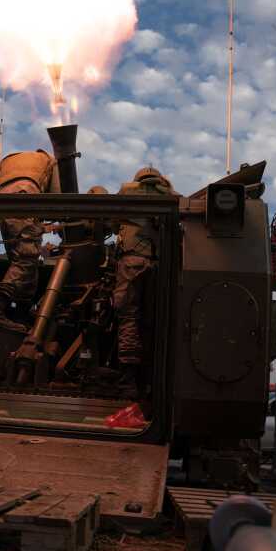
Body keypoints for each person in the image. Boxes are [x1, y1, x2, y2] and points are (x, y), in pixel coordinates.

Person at [113, 167, 177, 393]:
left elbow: (113, 221)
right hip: (158, 265)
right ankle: (151, 378)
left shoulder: (128, 190)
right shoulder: (169, 194)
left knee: (128, 317)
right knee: (153, 320)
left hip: (131, 263)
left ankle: (128, 380)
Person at [0, 149, 56, 333]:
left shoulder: (15, 159)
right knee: (26, 259)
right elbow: (59, 199)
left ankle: (20, 317)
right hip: (25, 196)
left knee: (24, 262)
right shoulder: (50, 161)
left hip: (2, 201)